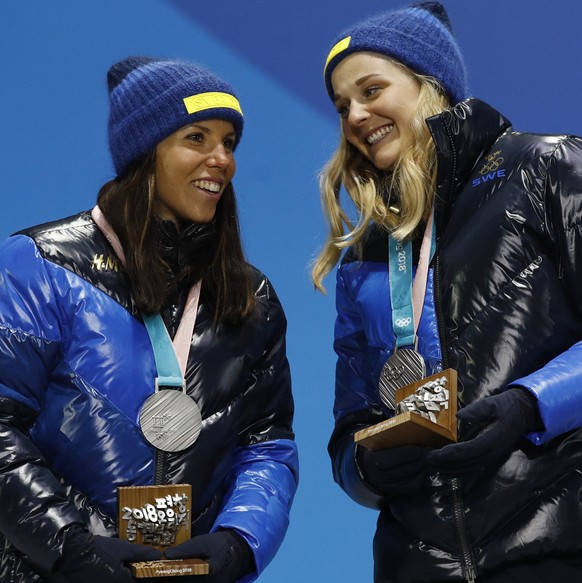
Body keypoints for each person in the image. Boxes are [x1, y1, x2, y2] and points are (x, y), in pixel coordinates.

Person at [0, 56, 298, 583]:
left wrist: (240, 543)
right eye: (197, 138)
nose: (221, 159)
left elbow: (267, 444)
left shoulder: (248, 295)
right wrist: (71, 547)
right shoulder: (39, 266)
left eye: (229, 142)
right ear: (146, 150)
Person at [312, 2, 582, 582]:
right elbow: (348, 431)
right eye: (341, 106)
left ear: (429, 84)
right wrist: (367, 467)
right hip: (414, 564)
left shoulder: (545, 167)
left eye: (371, 89)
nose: (355, 115)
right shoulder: (364, 255)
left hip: (551, 544)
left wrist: (528, 405)